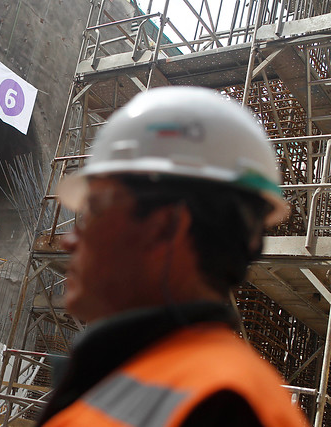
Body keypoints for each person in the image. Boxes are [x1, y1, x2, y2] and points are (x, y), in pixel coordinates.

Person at [37, 87, 307, 427]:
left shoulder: (224, 405)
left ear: (165, 227)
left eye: (92, 213)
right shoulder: (129, 379)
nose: (68, 241)